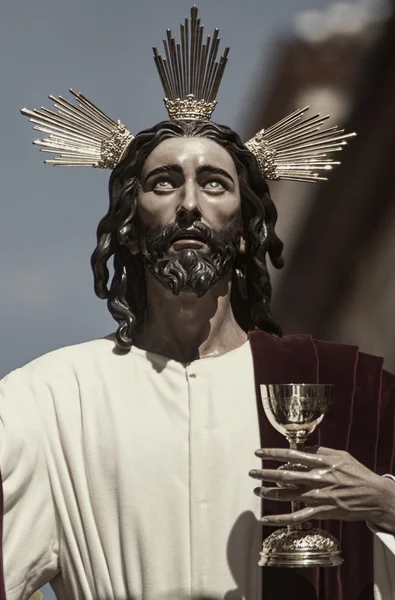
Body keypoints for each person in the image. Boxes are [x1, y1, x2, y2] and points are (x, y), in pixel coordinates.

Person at [3, 6, 394, 600]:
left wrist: (385, 501)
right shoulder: (50, 399)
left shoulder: (340, 389)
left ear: (243, 231)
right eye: (164, 183)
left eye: (214, 183)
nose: (190, 202)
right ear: (131, 226)